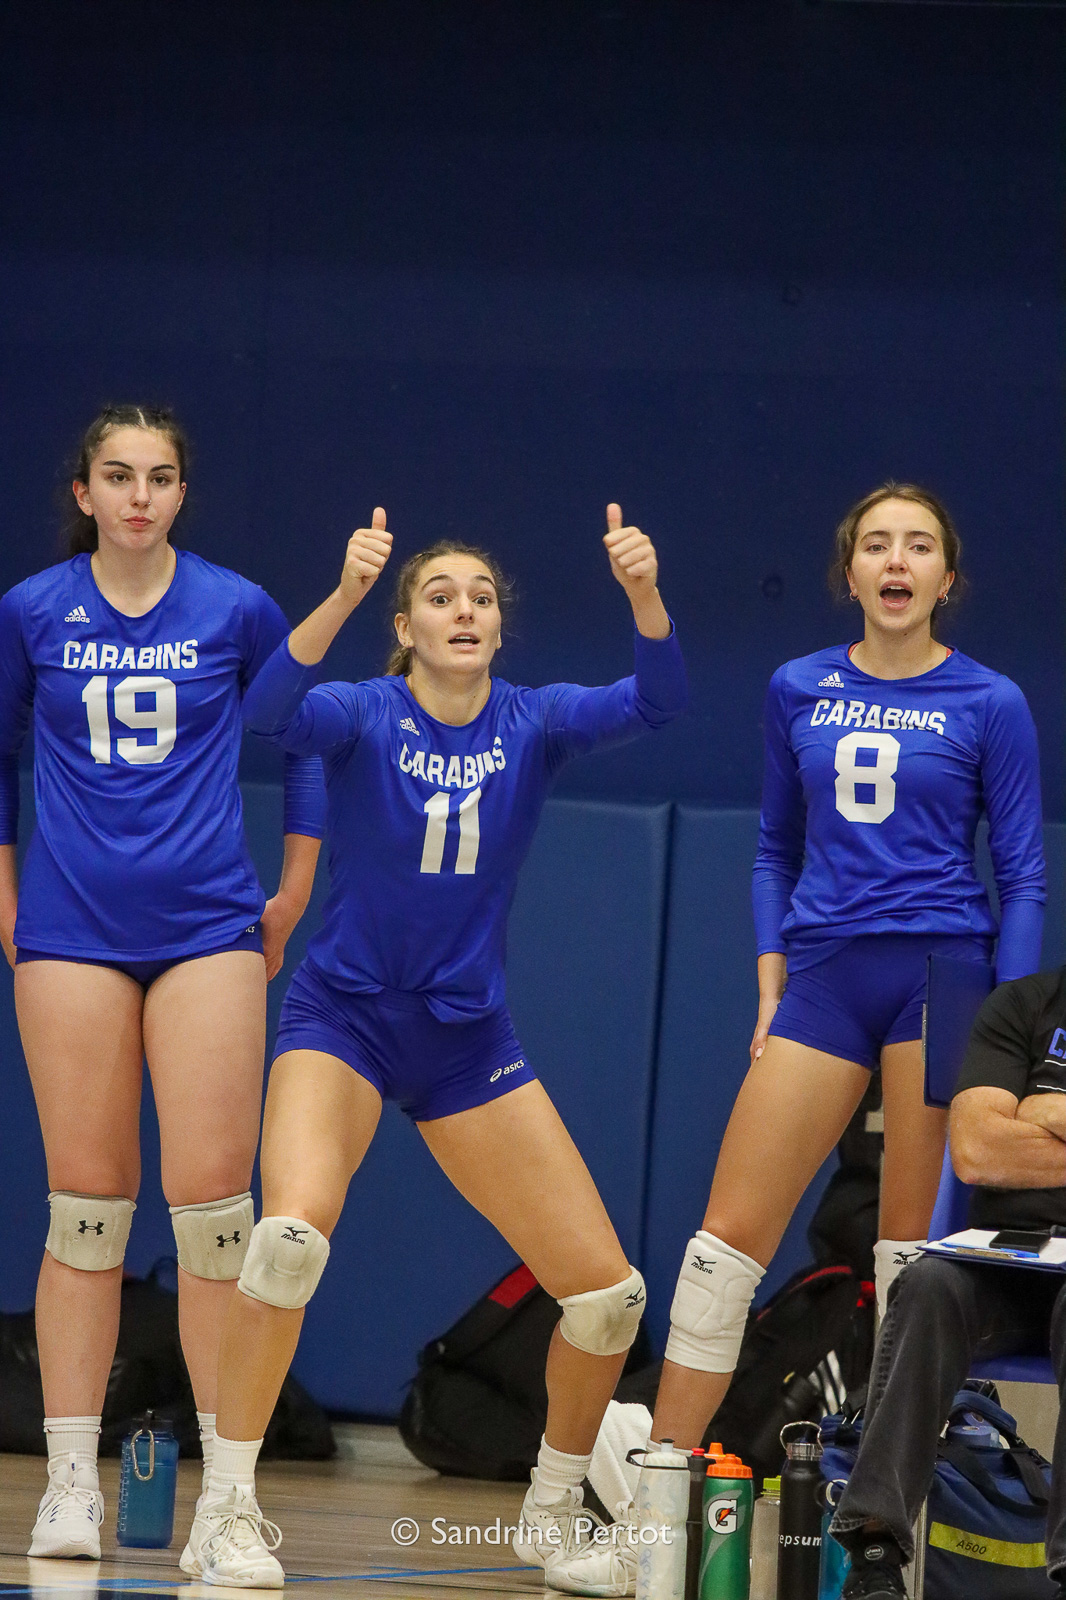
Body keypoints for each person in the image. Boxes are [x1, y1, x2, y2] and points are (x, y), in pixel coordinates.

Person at [179, 504, 686, 1591]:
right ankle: (224, 1511)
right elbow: (268, 710)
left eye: (482, 598)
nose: (465, 611)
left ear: (500, 626)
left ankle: (551, 1514)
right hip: (345, 1021)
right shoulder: (364, 712)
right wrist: (344, 591)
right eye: (440, 597)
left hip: (465, 1042)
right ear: (405, 627)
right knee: (289, 1241)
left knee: (608, 1301)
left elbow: (657, 700)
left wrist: (644, 595)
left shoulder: (534, 720)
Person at [560, 482, 1046, 1596]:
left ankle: (886, 1540)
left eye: (917, 545)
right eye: (876, 543)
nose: (896, 560)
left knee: (911, 1262)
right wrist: (770, 982)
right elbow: (774, 847)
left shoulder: (992, 700)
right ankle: (655, 1514)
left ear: (947, 577)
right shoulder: (797, 686)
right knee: (723, 1244)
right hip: (825, 974)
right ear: (849, 569)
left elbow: (1021, 872)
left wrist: (1006, 1035)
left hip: (943, 978)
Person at [0, 406, 324, 1560]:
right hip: (72, 932)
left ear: (182, 492)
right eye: (118, 475)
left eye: (160, 476)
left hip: (206, 932)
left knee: (216, 1218)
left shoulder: (236, 607)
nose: (139, 495)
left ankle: (226, 1502)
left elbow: (302, 739)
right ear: (83, 491)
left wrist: (292, 887)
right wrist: (6, 895)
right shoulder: (32, 610)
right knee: (86, 1212)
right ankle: (69, 1486)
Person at [829, 963, 1066, 1599]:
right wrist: (1012, 1129)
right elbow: (977, 1149)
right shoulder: (1023, 1006)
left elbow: (1006, 1136)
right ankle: (875, 1551)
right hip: (1006, 1264)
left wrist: (1042, 1110)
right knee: (929, 1285)